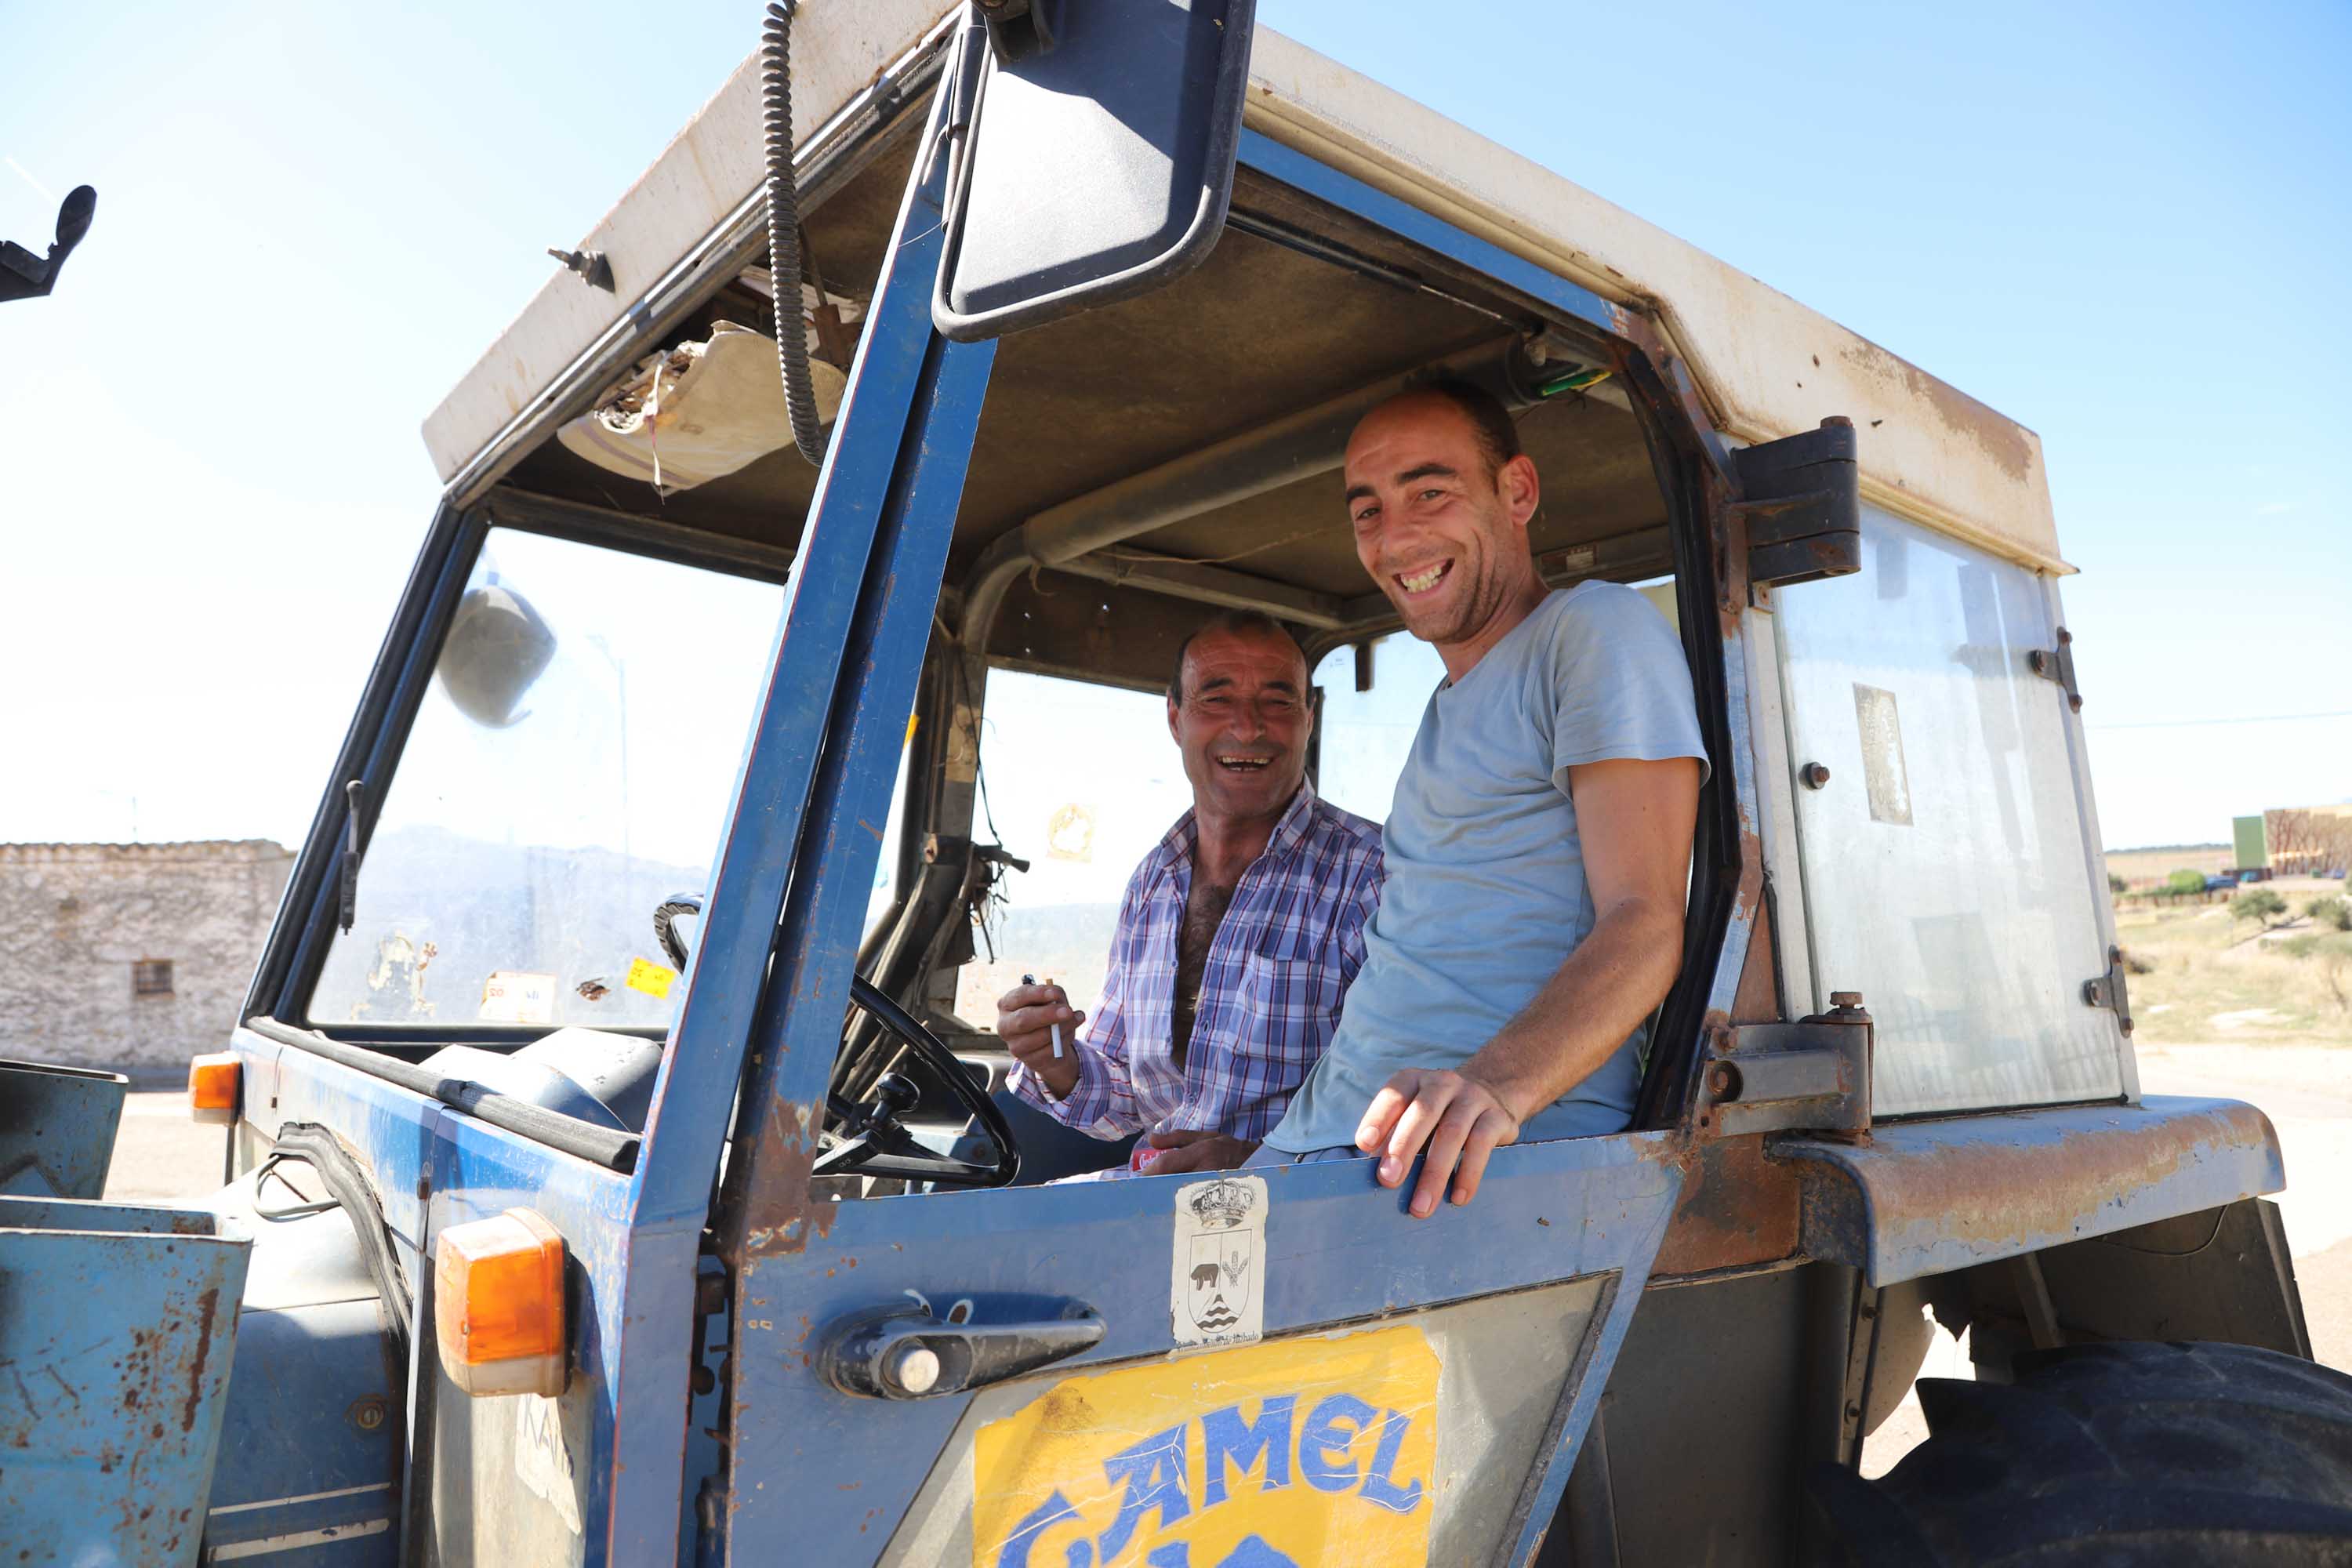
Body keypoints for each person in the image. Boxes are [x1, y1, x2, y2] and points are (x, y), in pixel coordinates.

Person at [1253, 375, 1708, 1218]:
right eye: (1369, 512)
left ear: (1518, 491)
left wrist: (1495, 1087)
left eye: (1430, 492)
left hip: (1460, 1166)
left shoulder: (1592, 630)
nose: (1397, 537)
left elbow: (1646, 922)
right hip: (1324, 1145)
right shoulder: (1445, 708)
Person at [997, 611, 1385, 1175]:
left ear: (1308, 718)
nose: (1247, 728)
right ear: (1176, 718)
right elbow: (1125, 1099)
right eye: (1216, 699)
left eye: (1277, 702)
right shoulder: (1153, 882)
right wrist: (1051, 1056)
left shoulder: (1372, 875)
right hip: (1153, 1199)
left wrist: (1266, 1162)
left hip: (1303, 1220)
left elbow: (1417, 1098)